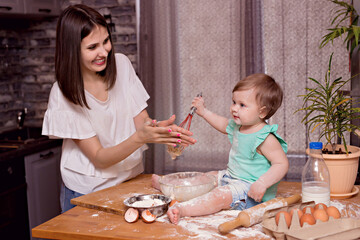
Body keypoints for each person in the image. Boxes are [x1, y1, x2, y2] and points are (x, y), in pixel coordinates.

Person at [42, 4, 196, 213]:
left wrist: (161, 130)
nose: (103, 51)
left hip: (129, 181)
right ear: (72, 50)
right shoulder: (63, 93)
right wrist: (141, 137)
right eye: (92, 47)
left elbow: (141, 122)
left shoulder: (121, 64)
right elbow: (99, 157)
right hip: (86, 190)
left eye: (106, 41)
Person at [152, 73, 288, 224]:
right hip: (230, 177)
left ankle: (183, 210)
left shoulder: (265, 138)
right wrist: (203, 111)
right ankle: (169, 188)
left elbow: (281, 164)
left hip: (250, 190)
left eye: (242, 105)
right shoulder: (239, 127)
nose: (234, 108)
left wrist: (262, 183)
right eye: (234, 102)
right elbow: (222, 123)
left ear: (262, 112)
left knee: (218, 196)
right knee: (205, 178)